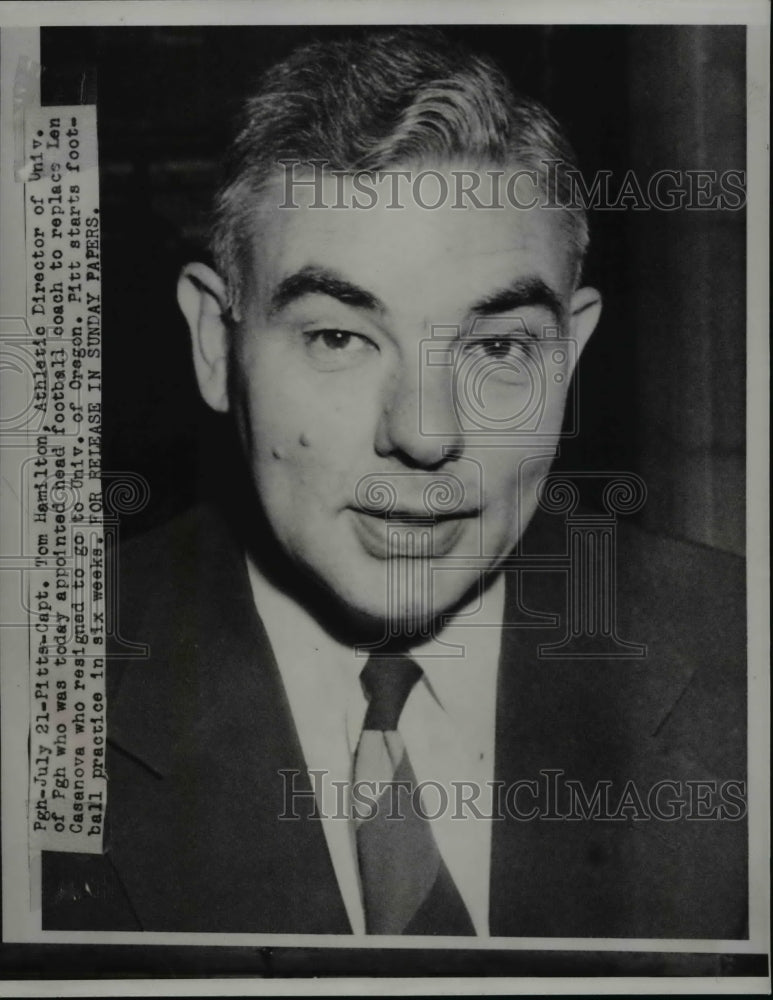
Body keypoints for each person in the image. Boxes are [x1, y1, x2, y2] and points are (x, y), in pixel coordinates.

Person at [42, 28, 746, 938]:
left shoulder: (740, 667)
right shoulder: (47, 690)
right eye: (338, 337)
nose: (424, 432)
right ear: (216, 343)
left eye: (495, 347)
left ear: (567, 359)